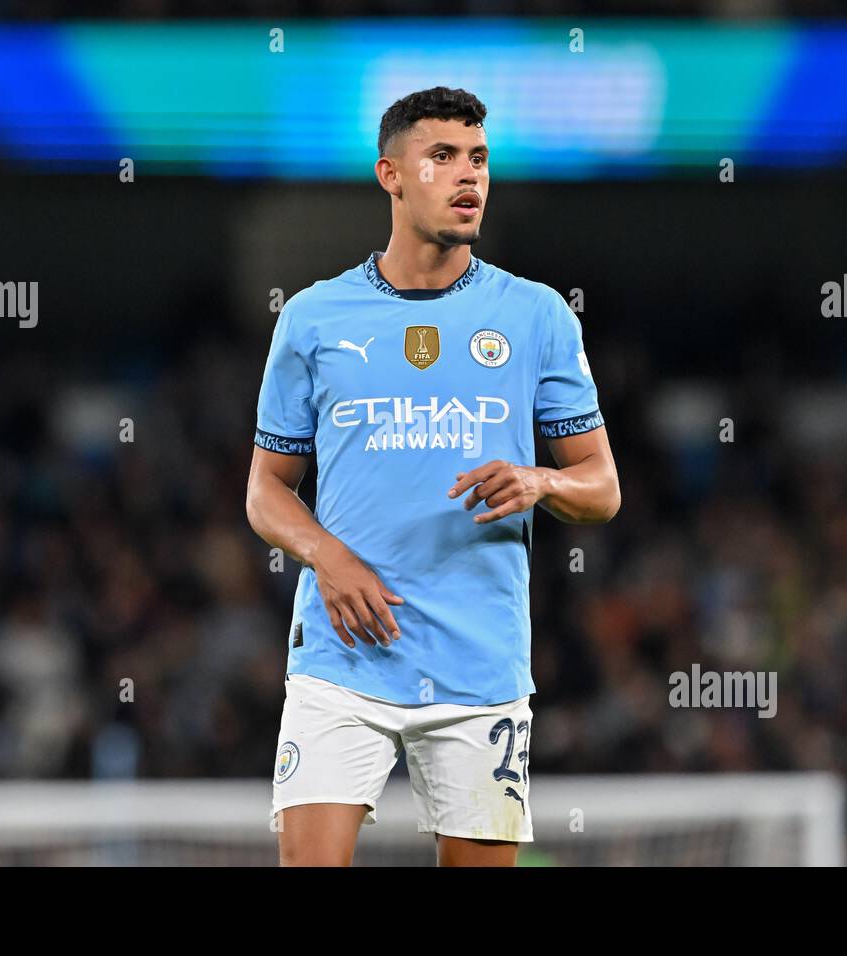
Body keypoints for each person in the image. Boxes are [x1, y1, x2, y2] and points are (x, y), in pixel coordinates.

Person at [245, 86, 620, 866]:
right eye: (442, 157)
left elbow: (601, 486)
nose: (468, 176)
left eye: (478, 159)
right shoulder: (314, 318)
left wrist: (542, 483)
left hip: (479, 666)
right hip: (342, 661)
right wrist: (328, 555)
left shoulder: (537, 314)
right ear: (391, 174)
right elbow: (265, 489)